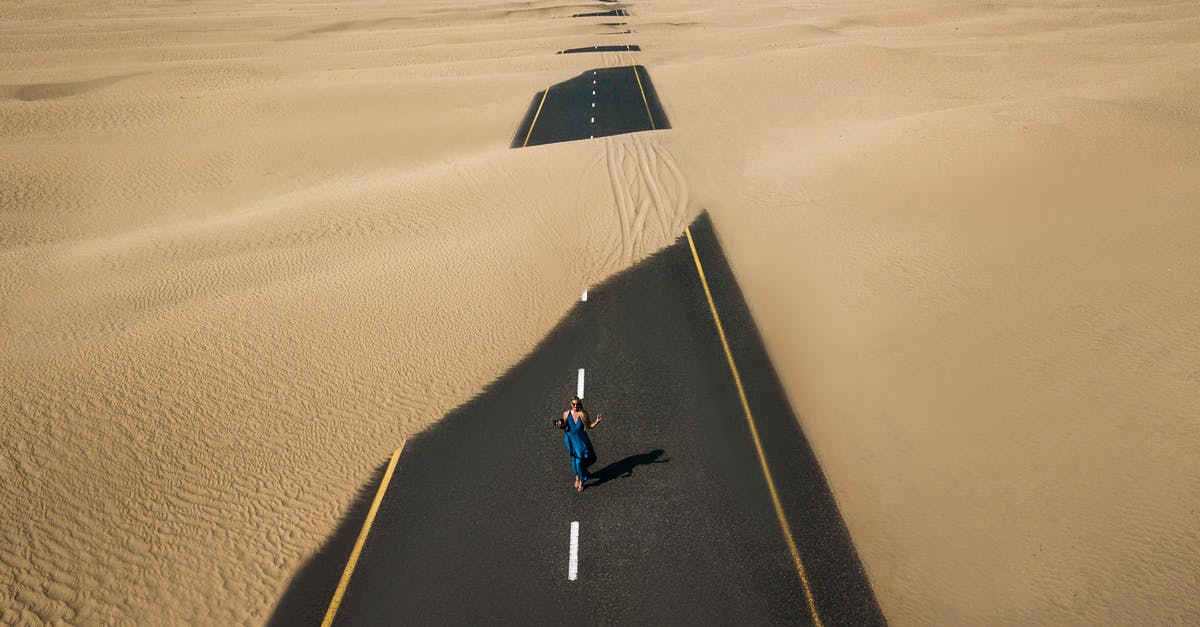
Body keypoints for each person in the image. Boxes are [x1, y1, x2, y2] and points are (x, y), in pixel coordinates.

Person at [560, 395, 603, 492]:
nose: (575, 406)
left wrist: (597, 421)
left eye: (578, 404)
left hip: (581, 441)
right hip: (570, 440)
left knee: (580, 460)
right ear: (571, 404)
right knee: (574, 459)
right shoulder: (566, 414)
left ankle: (581, 480)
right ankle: (577, 476)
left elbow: (589, 426)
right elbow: (564, 427)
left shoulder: (583, 414)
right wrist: (560, 425)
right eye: (574, 404)